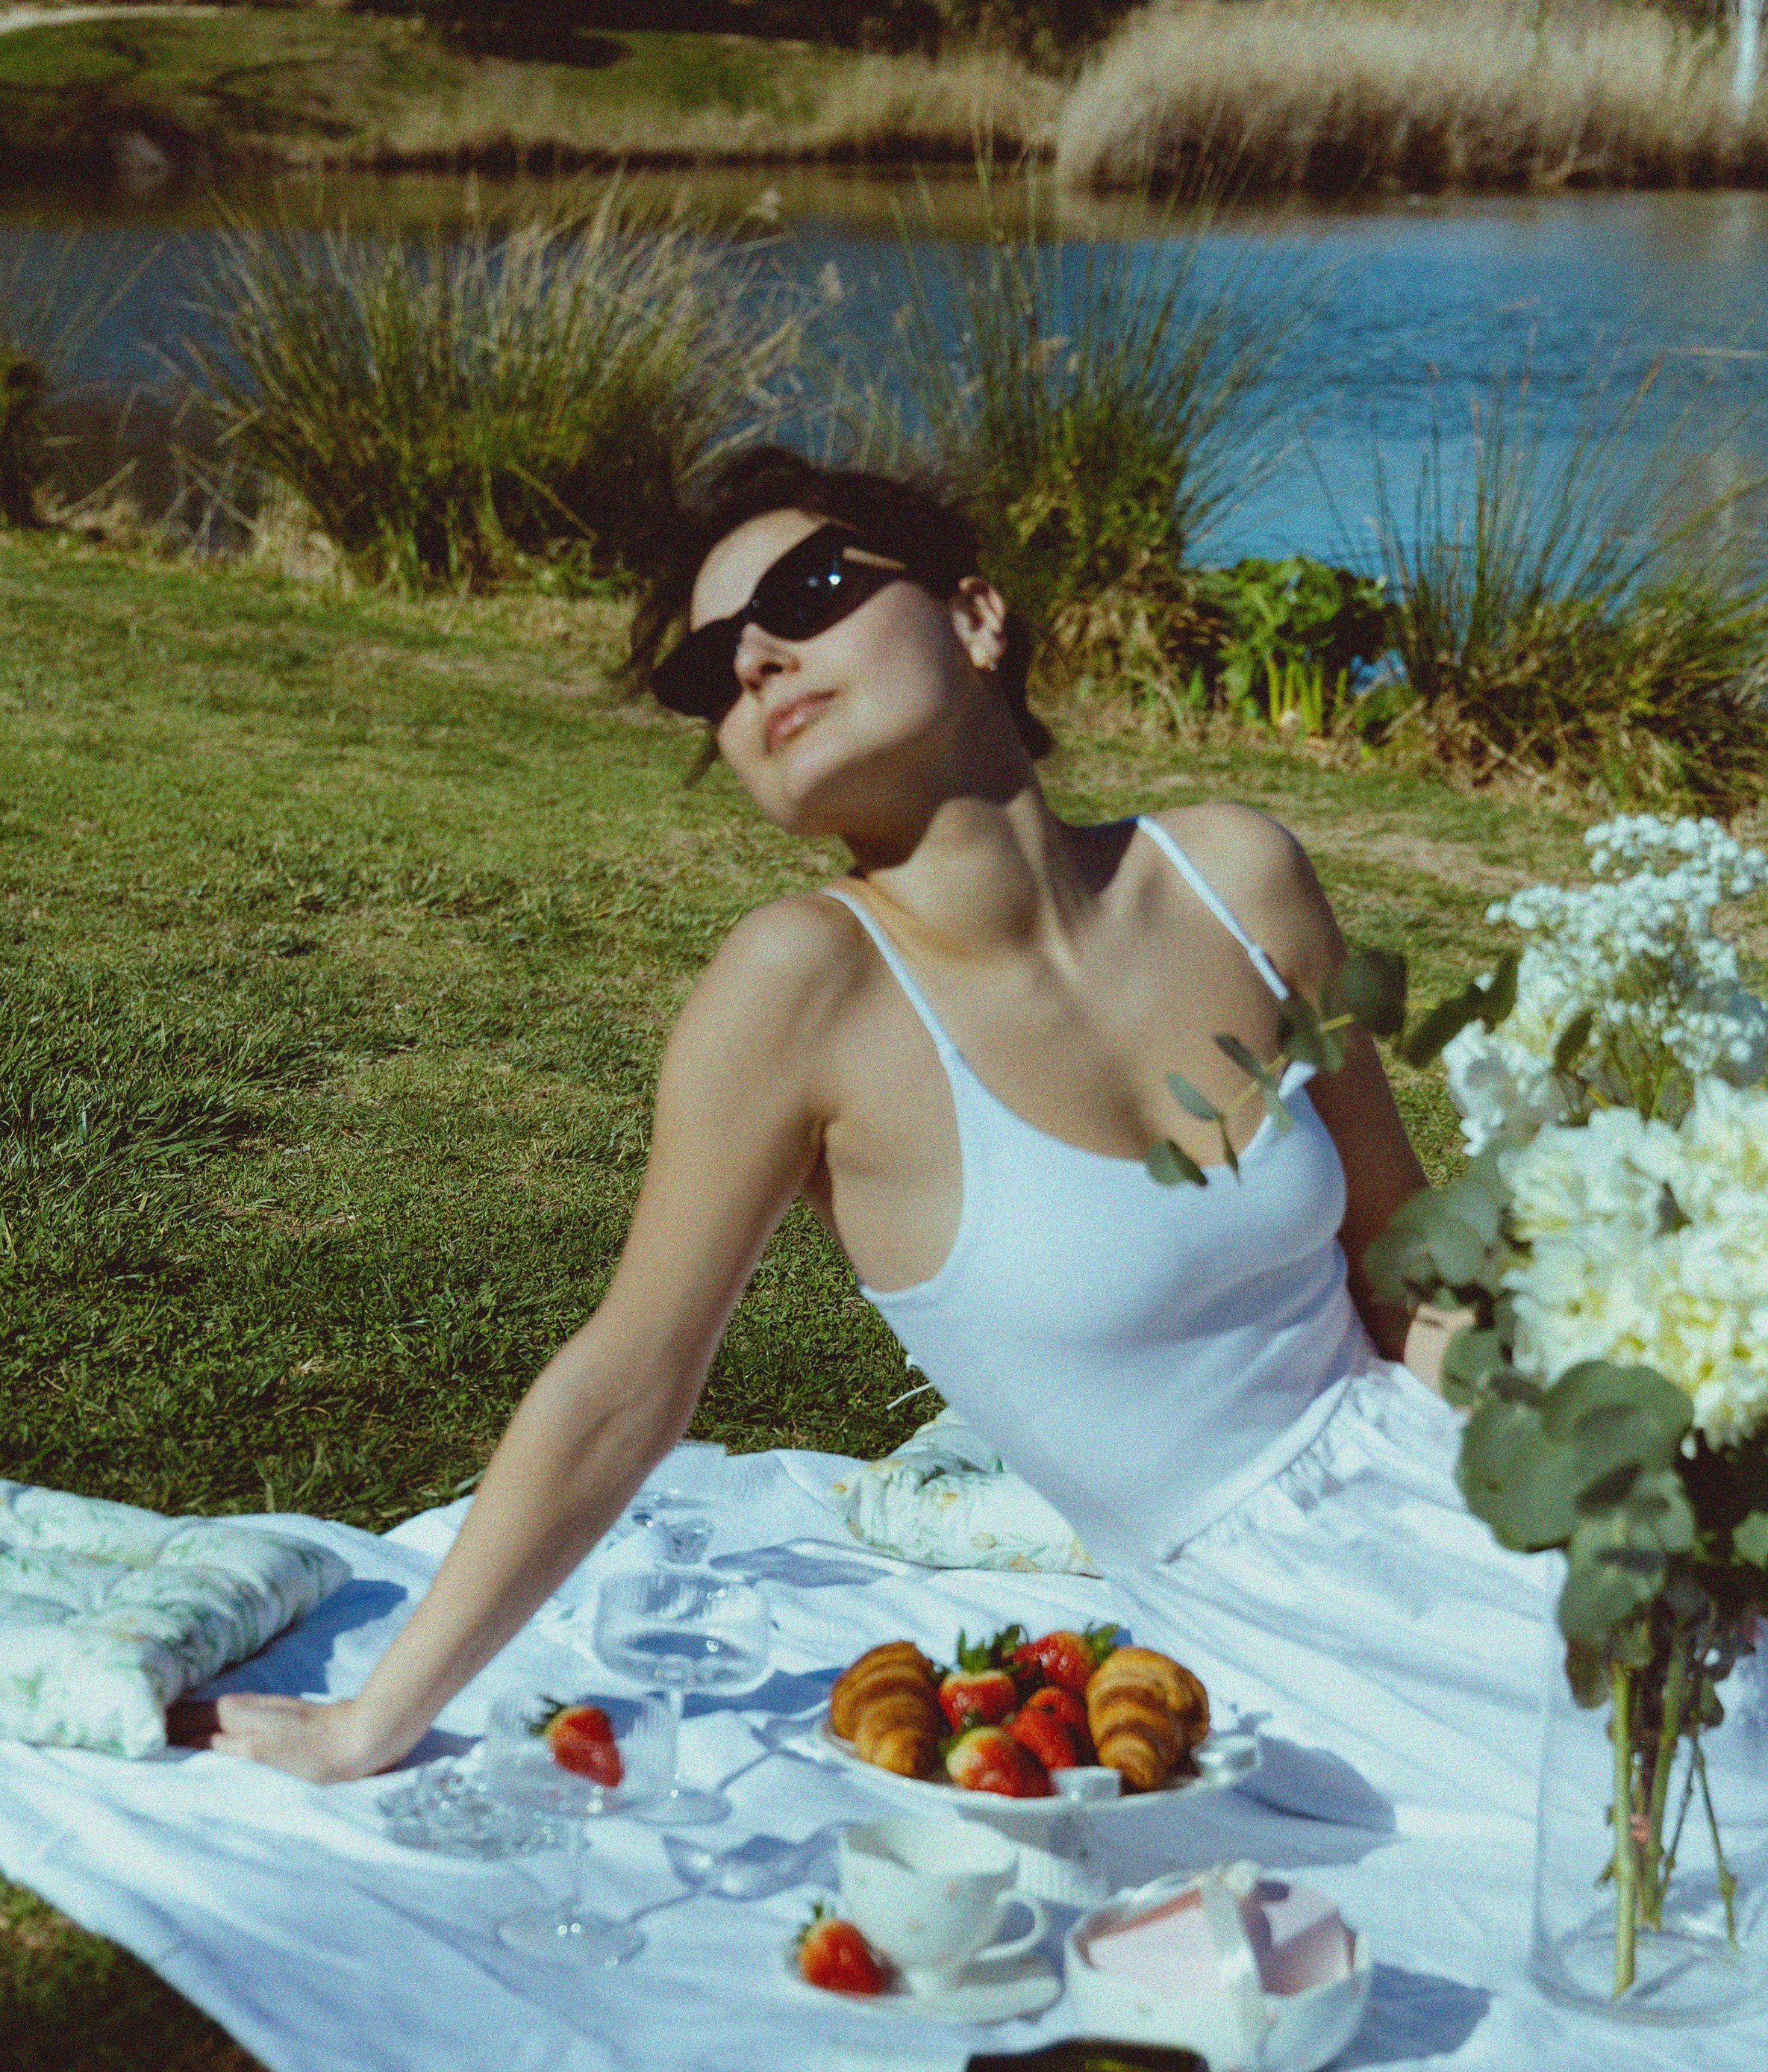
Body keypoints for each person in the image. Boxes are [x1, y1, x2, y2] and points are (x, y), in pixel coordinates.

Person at [170, 449, 1531, 1817]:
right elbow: (628, 1382)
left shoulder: (1234, 874)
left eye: (808, 592)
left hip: (1457, 1478)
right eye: (709, 670)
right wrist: (371, 1722)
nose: (756, 659)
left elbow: (1404, 1269)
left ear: (976, 616)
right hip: (1282, 1632)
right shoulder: (804, 991)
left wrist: (1589, 1456)